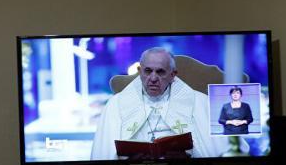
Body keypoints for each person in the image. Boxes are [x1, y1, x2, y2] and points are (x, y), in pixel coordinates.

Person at [90, 47, 221, 159]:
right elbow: (105, 157)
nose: (153, 78)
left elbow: (215, 153)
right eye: (148, 71)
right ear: (140, 71)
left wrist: (188, 155)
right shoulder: (116, 104)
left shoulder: (199, 102)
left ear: (172, 74)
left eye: (160, 72)